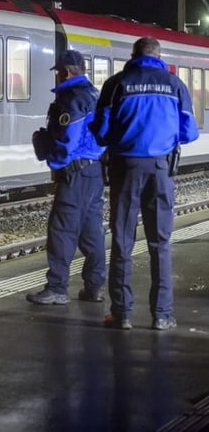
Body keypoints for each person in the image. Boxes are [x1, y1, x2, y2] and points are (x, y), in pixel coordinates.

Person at [90, 37, 200, 330]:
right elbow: (190, 132)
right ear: (159, 56)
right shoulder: (174, 85)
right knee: (160, 242)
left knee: (123, 240)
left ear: (133, 55)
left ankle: (121, 313)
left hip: (124, 168)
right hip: (161, 170)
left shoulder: (115, 84)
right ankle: (162, 315)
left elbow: (100, 132)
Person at [26, 49, 107, 305]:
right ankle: (94, 286)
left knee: (61, 230)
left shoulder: (72, 99)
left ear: (66, 73)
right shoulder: (95, 94)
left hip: (74, 174)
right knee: (91, 231)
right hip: (94, 172)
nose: (57, 77)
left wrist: (54, 159)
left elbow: (67, 140)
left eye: (59, 72)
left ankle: (57, 288)